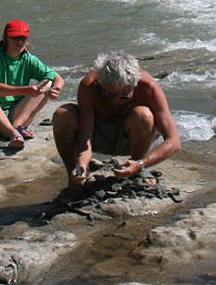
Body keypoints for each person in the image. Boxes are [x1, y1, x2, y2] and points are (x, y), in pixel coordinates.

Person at [51, 51, 181, 186]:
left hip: (132, 140)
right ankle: (75, 176)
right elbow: (85, 137)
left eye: (124, 96)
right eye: (109, 95)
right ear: (101, 84)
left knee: (143, 115)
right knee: (63, 115)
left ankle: (136, 169)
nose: (117, 101)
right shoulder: (90, 85)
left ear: (135, 84)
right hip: (100, 136)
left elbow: (174, 141)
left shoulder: (149, 87)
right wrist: (81, 164)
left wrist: (141, 164)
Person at [0, 19, 63, 150]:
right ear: (6, 38)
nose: (19, 42)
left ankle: (17, 127)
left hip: (12, 115)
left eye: (23, 38)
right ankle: (13, 133)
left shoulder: (28, 59)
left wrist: (56, 89)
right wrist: (26, 90)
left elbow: (57, 77)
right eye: (15, 38)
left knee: (47, 83)